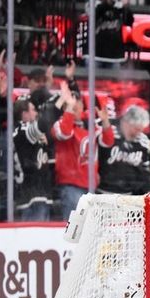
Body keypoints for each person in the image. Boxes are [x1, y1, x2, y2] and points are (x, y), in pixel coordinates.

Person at [51, 83, 115, 219]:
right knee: (73, 229)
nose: (77, 112)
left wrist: (105, 122)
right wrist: (69, 109)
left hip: (90, 185)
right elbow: (64, 133)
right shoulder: (60, 124)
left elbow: (108, 142)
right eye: (73, 109)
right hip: (71, 185)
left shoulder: (90, 126)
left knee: (88, 230)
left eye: (78, 108)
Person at [12, 98, 54, 221]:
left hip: (39, 191)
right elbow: (41, 125)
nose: (36, 113)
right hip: (31, 194)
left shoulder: (29, 133)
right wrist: (55, 105)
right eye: (33, 110)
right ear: (24, 114)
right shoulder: (23, 130)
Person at [98, 105, 150, 195]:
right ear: (125, 122)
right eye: (136, 129)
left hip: (127, 195)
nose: (138, 133)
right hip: (101, 192)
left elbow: (144, 171)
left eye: (141, 130)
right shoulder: (107, 130)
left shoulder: (142, 141)